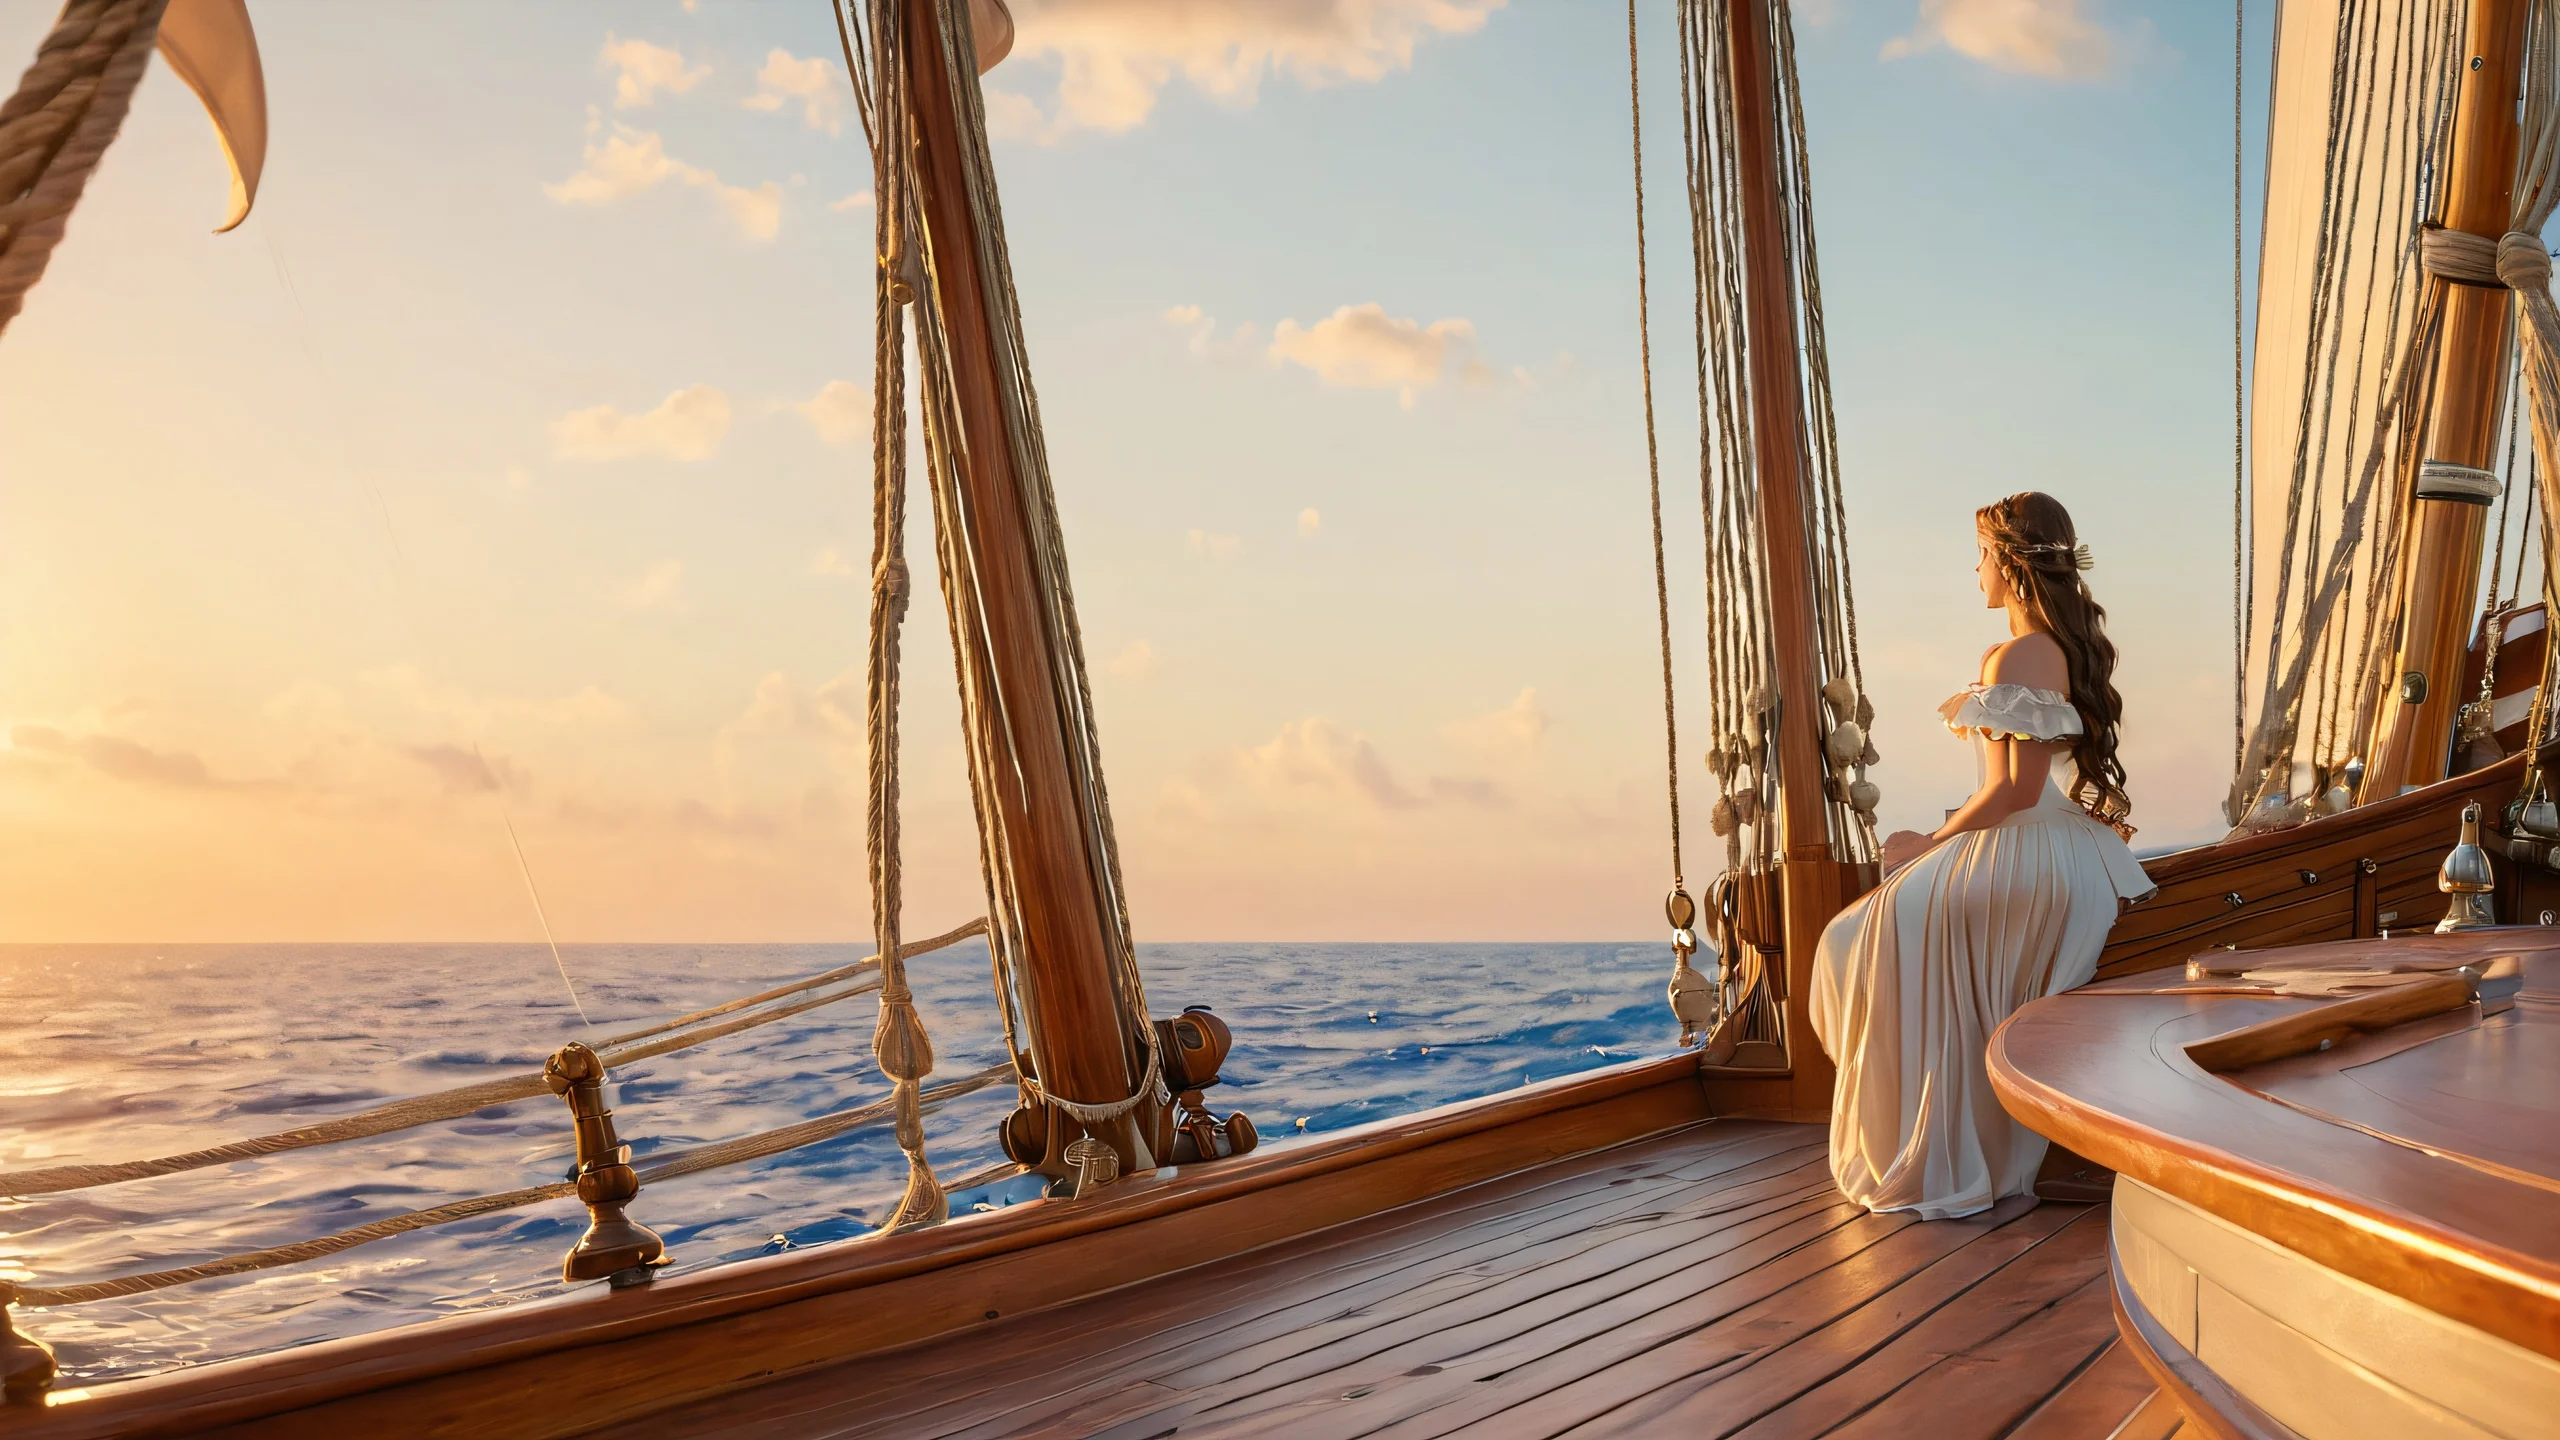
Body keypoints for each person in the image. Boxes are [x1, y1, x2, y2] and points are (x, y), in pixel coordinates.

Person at [1807, 491, 2152, 1220]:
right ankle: (1936, 1118)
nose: (1976, 572)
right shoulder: (2057, 649)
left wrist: (1926, 844)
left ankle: (1927, 1135)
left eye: (1982, 556)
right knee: (1862, 933)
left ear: (2011, 565)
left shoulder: (2018, 654)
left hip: (2028, 847)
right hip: (2055, 848)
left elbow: (2014, 791)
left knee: (1855, 934)